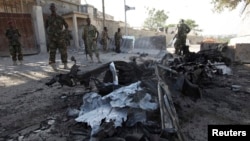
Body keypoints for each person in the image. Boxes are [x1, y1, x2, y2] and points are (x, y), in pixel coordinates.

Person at [45, 3, 69, 71]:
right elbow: (46, 27)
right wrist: (49, 34)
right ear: (50, 9)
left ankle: (65, 64)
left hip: (60, 38)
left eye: (54, 7)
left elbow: (66, 26)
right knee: (52, 52)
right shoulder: (48, 18)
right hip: (52, 38)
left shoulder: (60, 17)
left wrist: (64, 33)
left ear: (56, 9)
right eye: (51, 7)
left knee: (63, 51)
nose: (53, 9)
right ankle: (53, 65)